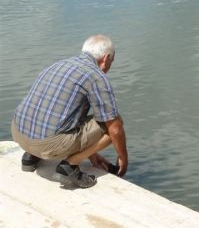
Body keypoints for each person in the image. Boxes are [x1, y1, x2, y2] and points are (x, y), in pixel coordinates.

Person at [11, 35, 128, 189]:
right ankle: (70, 165)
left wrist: (90, 154)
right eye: (111, 62)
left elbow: (64, 114)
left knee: (54, 111)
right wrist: (123, 159)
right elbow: (115, 128)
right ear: (106, 59)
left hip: (19, 133)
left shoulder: (59, 64)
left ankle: (30, 157)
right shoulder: (97, 77)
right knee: (114, 121)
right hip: (46, 145)